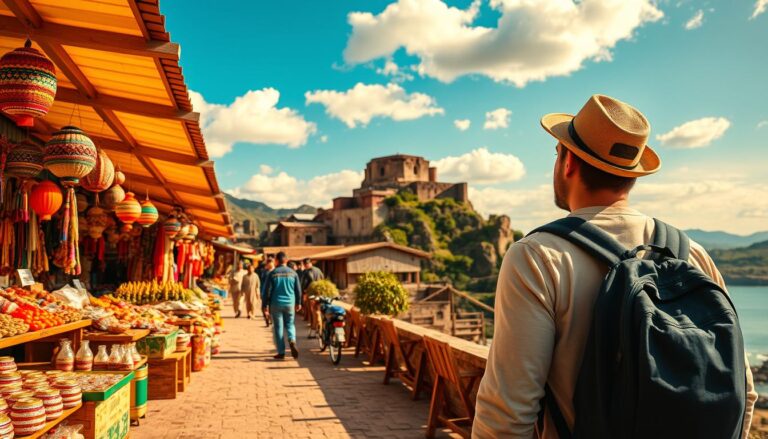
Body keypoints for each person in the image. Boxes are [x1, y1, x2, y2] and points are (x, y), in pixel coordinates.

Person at [472, 95, 757, 438]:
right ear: (631, 176)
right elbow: (744, 392)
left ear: (567, 162)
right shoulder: (692, 254)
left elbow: (507, 413)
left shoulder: (538, 257)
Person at [262, 252, 302, 359]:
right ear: (286, 260)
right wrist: (299, 302)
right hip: (290, 304)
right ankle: (292, 339)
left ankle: (281, 352)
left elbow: (267, 291)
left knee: (278, 328)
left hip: (276, 304)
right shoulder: (293, 273)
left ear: (276, 261)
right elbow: (298, 290)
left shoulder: (273, 273)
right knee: (290, 324)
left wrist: (264, 305)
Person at [259, 257, 275, 327]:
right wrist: (260, 291)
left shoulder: (276, 272)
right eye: (268, 263)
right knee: (263, 307)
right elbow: (262, 283)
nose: (269, 264)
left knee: (271, 307)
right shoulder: (264, 272)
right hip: (264, 291)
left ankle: (271, 318)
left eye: (270, 262)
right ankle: (267, 319)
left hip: (273, 293)